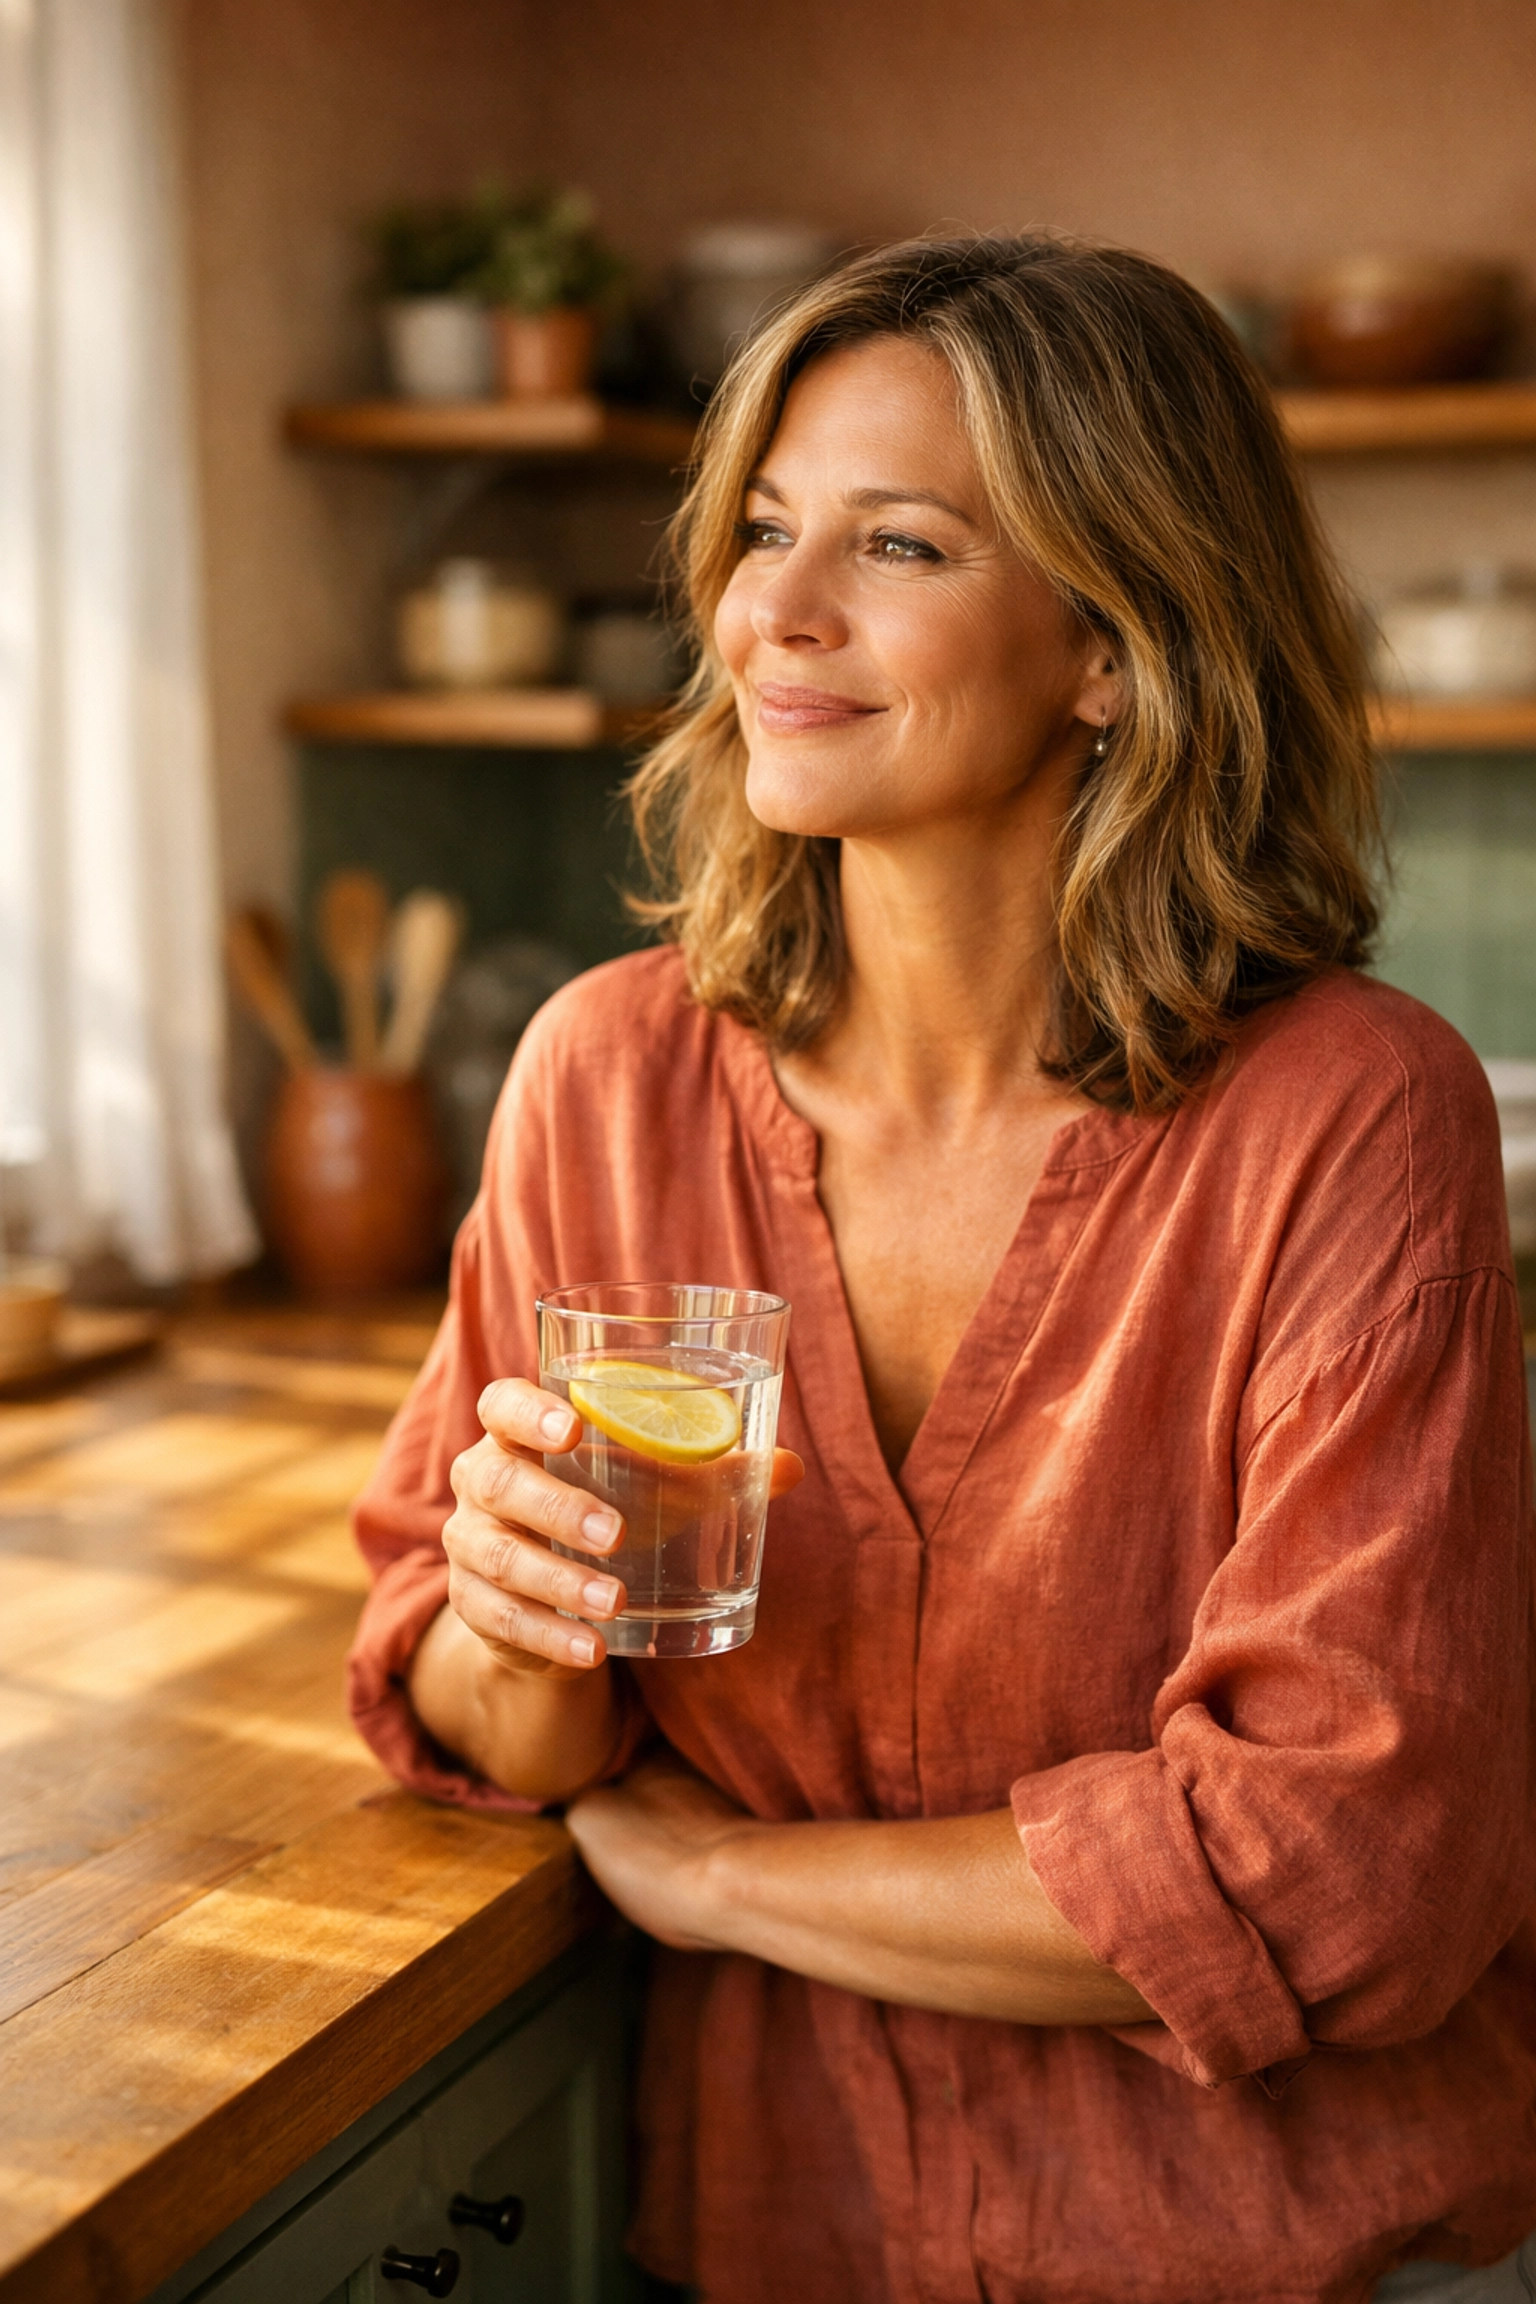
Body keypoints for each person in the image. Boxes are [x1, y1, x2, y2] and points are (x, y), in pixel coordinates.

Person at [347, 236, 1536, 2304]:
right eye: (765, 531)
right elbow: (505, 1727)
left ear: (1114, 640)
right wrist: (523, 1626)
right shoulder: (603, 1079)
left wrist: (720, 1873)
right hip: (776, 2236)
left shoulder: (1354, 1114)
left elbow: (1345, 1874)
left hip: (1282, 2259)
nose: (775, 614)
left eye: (896, 545)